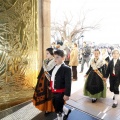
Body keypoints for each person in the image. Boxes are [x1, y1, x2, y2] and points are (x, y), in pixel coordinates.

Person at [33, 48, 56, 114]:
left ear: (52, 54)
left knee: (49, 95)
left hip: (50, 80)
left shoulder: (55, 62)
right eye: (46, 53)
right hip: (42, 80)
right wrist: (39, 77)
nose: (46, 55)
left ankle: (50, 108)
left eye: (47, 53)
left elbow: (55, 73)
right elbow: (42, 70)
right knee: (44, 94)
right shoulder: (45, 61)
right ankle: (46, 107)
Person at [50, 50, 72, 120]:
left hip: (61, 92)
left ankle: (60, 118)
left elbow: (68, 83)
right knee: (56, 103)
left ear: (63, 58)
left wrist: (67, 94)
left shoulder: (66, 69)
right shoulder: (54, 67)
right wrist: (51, 86)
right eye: (54, 57)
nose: (55, 59)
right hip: (54, 90)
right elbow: (53, 78)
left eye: (57, 57)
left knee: (58, 109)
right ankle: (67, 111)